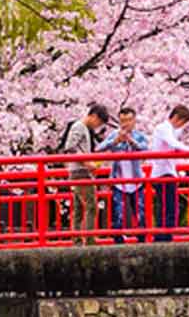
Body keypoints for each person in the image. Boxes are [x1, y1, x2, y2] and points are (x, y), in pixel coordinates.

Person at [56, 99, 110, 239]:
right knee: (91, 206)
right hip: (80, 171)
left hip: (77, 170)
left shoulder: (82, 128)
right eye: (99, 123)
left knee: (79, 208)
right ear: (94, 116)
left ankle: (77, 239)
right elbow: (70, 147)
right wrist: (87, 163)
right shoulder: (79, 127)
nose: (97, 126)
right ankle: (89, 239)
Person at [147, 103, 189, 240]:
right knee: (169, 208)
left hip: (164, 172)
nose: (181, 126)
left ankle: (163, 237)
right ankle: (164, 238)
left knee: (167, 207)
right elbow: (173, 143)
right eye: (182, 123)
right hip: (163, 173)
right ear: (178, 118)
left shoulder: (168, 130)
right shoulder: (163, 129)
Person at [108, 105, 150, 239]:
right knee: (118, 214)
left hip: (136, 180)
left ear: (134, 121)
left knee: (140, 213)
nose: (126, 124)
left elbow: (146, 150)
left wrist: (132, 142)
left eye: (129, 120)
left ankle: (142, 241)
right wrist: (115, 141)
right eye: (123, 121)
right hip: (118, 180)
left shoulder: (139, 136)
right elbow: (99, 148)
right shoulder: (114, 135)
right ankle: (117, 242)